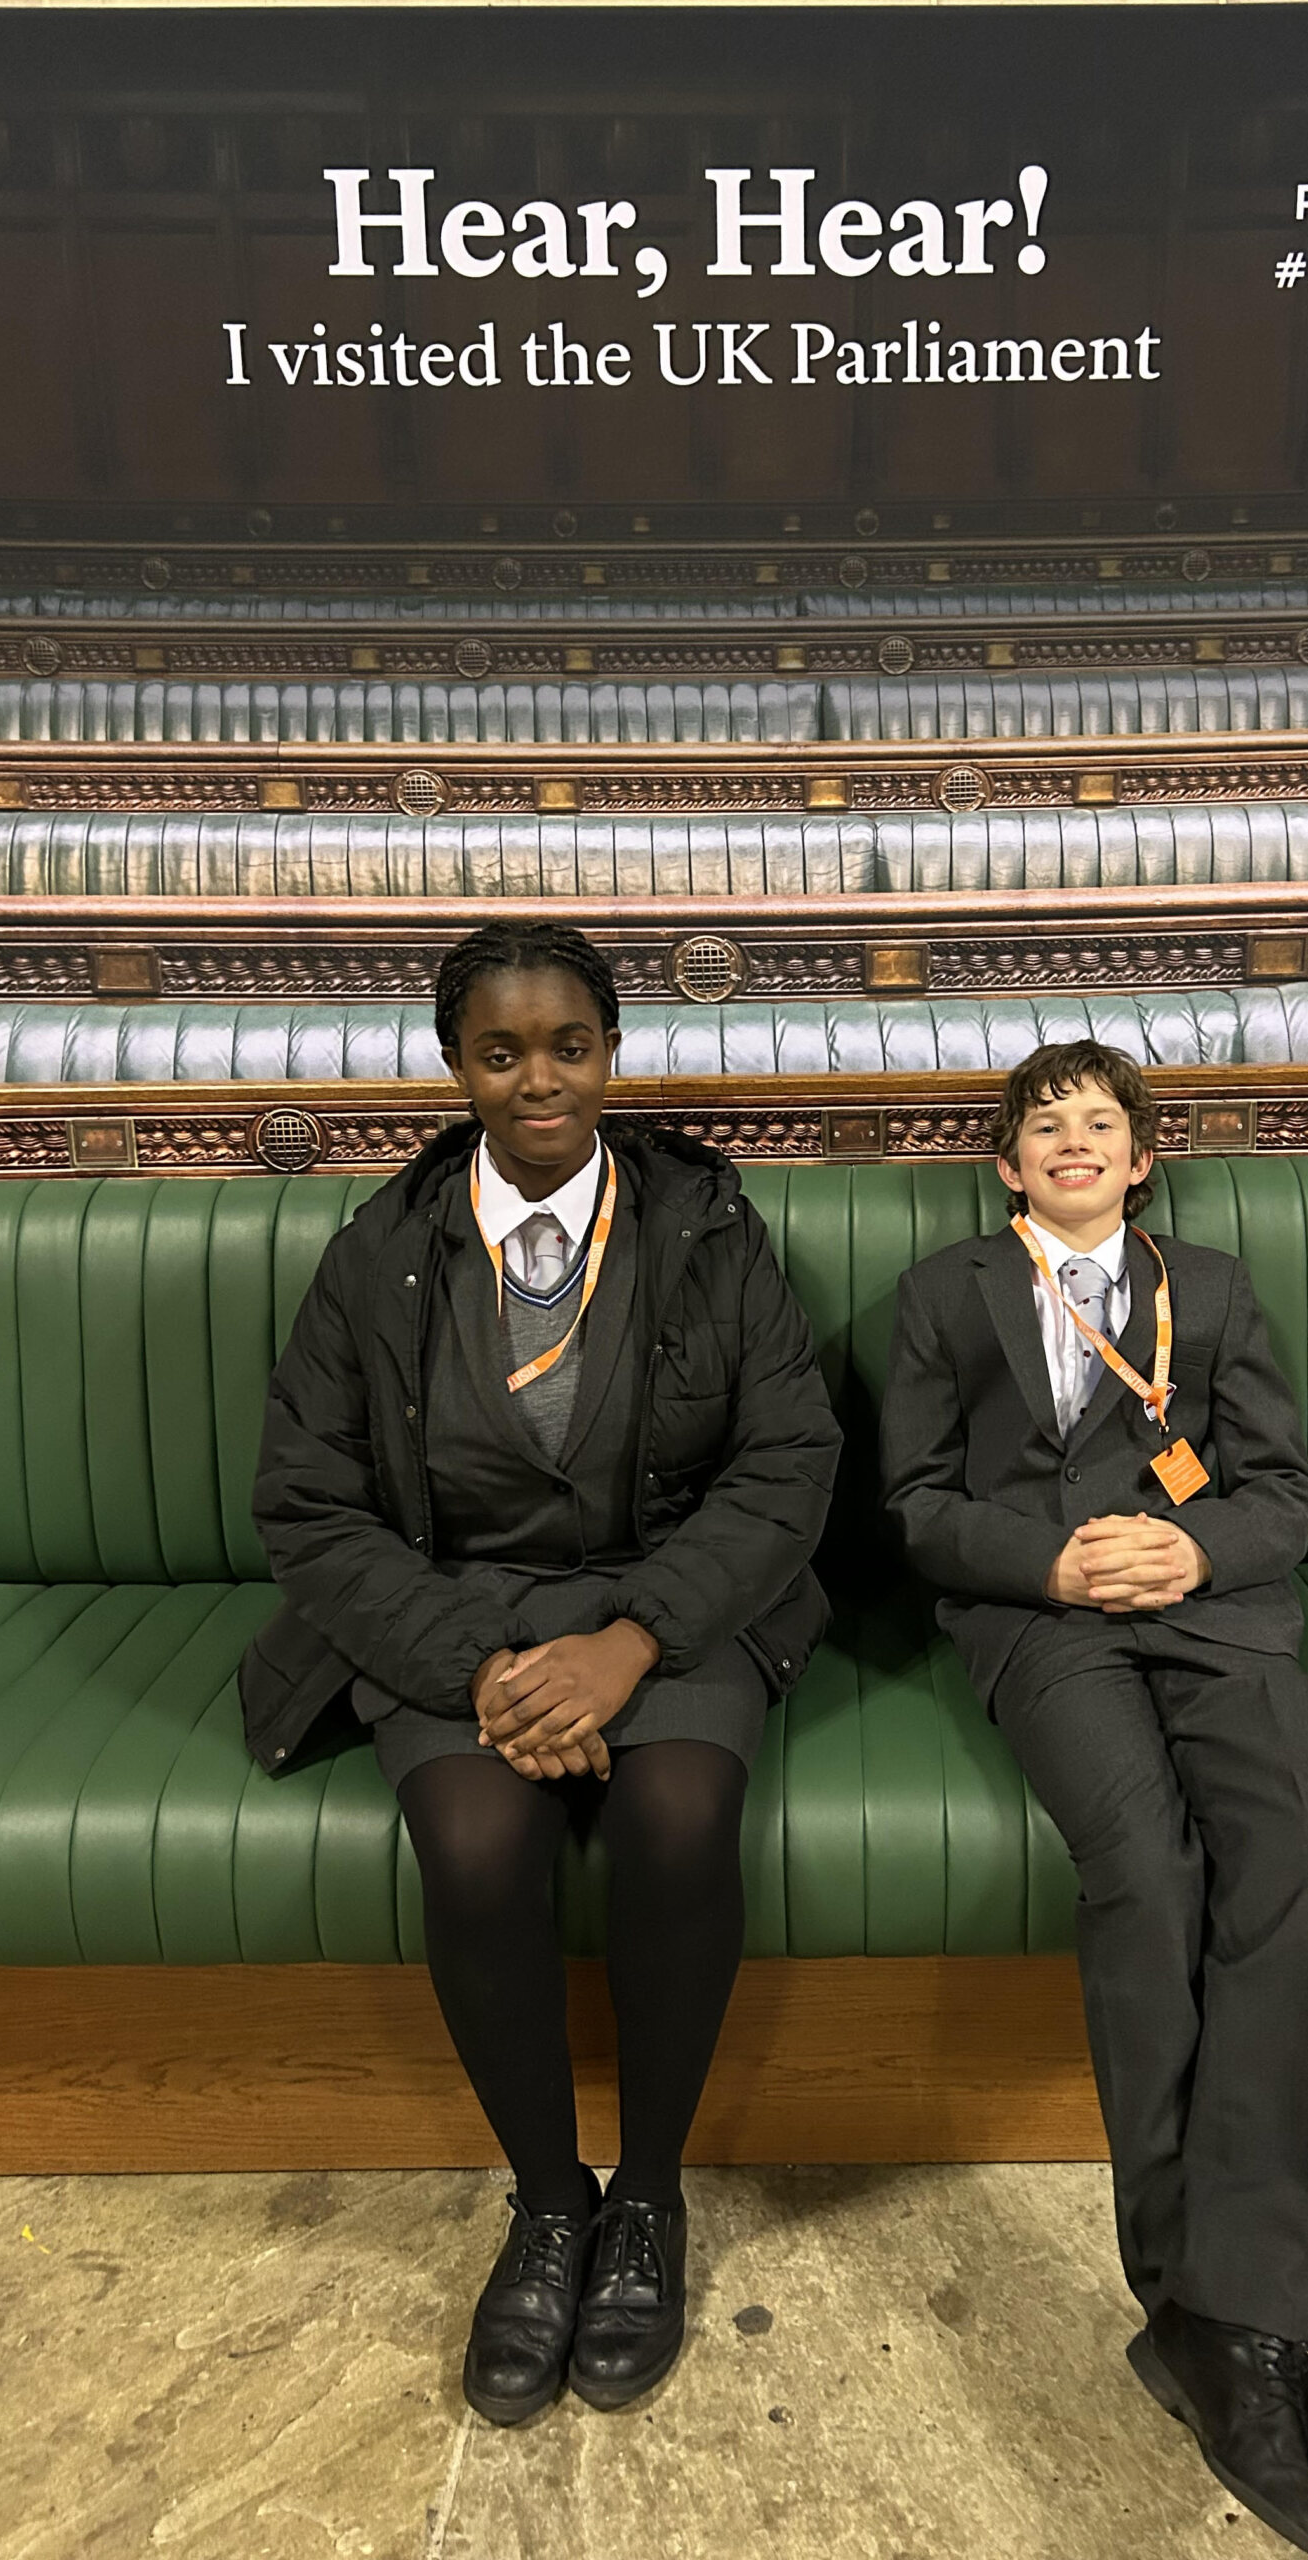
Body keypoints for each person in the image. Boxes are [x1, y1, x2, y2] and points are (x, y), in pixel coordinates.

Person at [240, 920, 840, 2427]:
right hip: (453, 1612)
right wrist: (487, 1669)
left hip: (666, 1603)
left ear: (612, 1052)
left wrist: (633, 1643)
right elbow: (309, 1506)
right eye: (500, 1053)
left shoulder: (708, 1228)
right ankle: (548, 2201)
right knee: (472, 1841)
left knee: (681, 1818)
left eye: (568, 1046)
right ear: (457, 1066)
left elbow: (786, 1463)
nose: (539, 1080)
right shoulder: (377, 1252)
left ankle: (647, 2198)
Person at [879, 1040, 1308, 2560]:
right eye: (1045, 1125)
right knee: (1147, 1875)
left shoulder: (1207, 1290)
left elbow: (1287, 1493)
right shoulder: (941, 1295)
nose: (1073, 1139)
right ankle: (1209, 2314)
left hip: (1213, 1613)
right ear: (1008, 1168)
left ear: (1143, 1161)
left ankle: (1230, 2320)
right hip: (1045, 1623)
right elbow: (914, 1505)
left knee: (1293, 1855)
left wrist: (1197, 1549)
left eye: (1101, 1122)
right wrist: (1048, 1563)